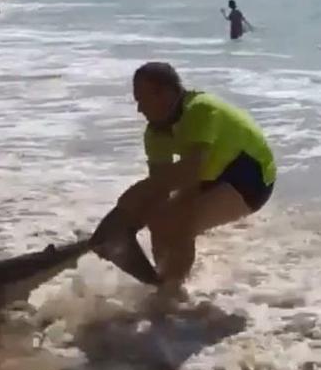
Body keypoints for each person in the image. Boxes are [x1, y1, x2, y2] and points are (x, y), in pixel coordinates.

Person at [110, 62, 276, 298]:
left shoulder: (200, 109)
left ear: (166, 93)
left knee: (177, 222)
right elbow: (160, 188)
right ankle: (164, 281)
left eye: (142, 100)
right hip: (211, 176)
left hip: (252, 178)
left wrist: (135, 195)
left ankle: (172, 292)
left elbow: (189, 172)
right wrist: (130, 219)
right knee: (158, 216)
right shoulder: (155, 133)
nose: (139, 109)